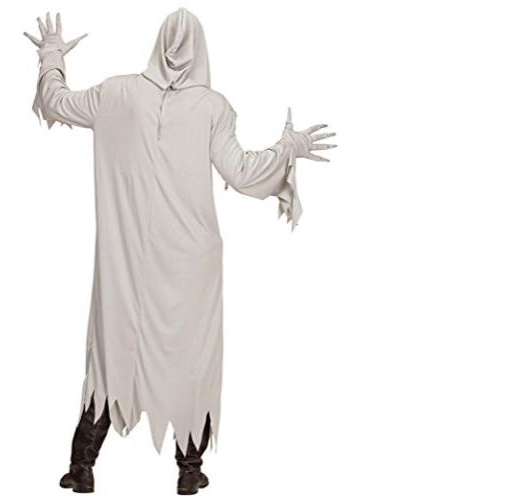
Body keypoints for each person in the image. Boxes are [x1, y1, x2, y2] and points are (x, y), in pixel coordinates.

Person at [24, 8, 335, 495]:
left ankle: (82, 466)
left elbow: (56, 100)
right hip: (190, 261)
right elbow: (243, 173)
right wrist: (287, 149)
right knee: (191, 356)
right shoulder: (212, 107)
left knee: (113, 348)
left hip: (126, 258)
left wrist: (52, 54)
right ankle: (189, 469)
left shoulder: (116, 94)